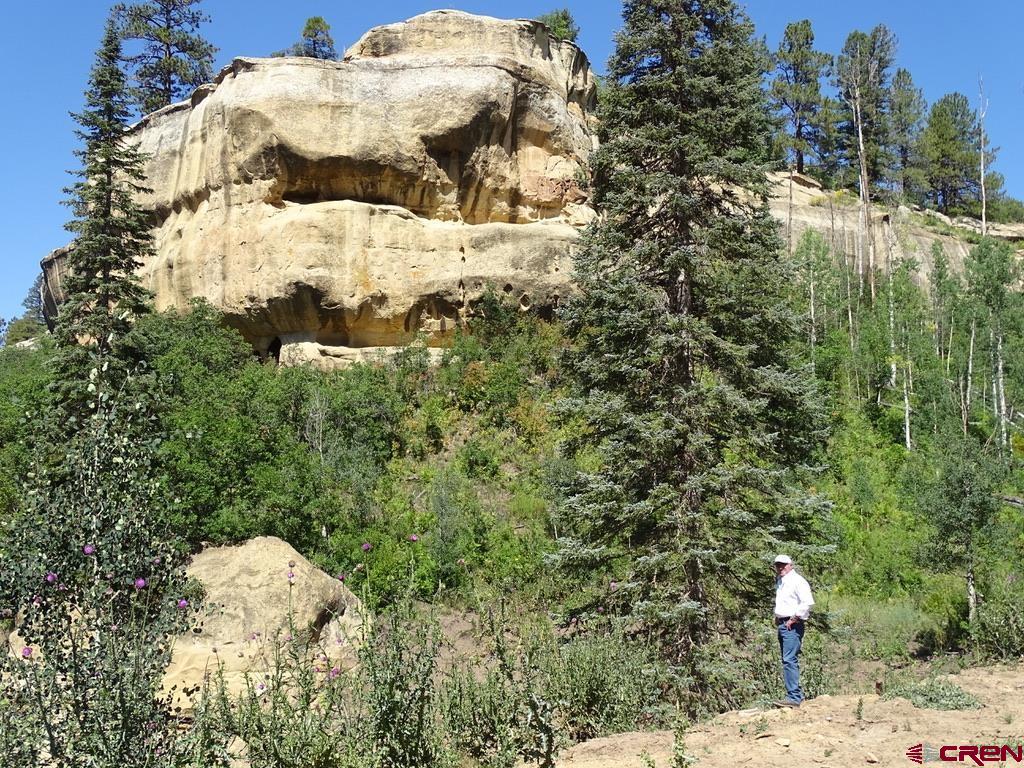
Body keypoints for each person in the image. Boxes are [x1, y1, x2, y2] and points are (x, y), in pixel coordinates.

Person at [772, 553, 814, 708]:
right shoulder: (781, 581)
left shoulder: (798, 581)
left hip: (792, 624)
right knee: (787, 659)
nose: (780, 567)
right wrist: (778, 617)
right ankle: (794, 695)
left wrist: (794, 618)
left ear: (791, 565)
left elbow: (807, 603)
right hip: (784, 624)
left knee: (789, 659)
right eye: (778, 565)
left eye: (783, 565)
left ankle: (794, 697)